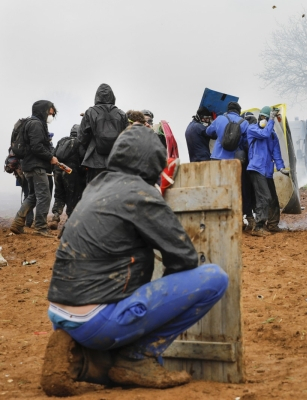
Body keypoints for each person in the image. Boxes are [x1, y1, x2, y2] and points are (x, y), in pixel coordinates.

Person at [40, 125, 229, 396]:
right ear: (153, 161)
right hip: (97, 321)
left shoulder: (97, 186)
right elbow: (184, 258)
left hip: (59, 315)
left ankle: (86, 359)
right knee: (214, 278)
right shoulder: (140, 194)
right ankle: (137, 358)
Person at [10, 100, 59, 237]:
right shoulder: (36, 124)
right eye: (50, 112)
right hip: (36, 166)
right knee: (44, 196)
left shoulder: (32, 123)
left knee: (33, 196)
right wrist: (50, 158)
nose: (51, 115)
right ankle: (40, 228)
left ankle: (18, 223)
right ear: (43, 111)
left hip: (29, 166)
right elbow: (37, 147)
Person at [247, 106, 288, 237]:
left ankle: (272, 225)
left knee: (273, 199)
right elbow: (264, 133)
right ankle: (258, 226)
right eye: (263, 117)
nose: (264, 120)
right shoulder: (253, 129)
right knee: (264, 197)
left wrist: (281, 167)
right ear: (260, 118)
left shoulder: (272, 135)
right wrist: (271, 119)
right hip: (256, 169)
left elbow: (276, 153)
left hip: (267, 171)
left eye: (267, 117)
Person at [78, 84, 128, 184]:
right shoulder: (121, 114)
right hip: (116, 161)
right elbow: (127, 137)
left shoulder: (90, 112)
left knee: (94, 193)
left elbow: (81, 137)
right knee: (114, 193)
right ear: (113, 96)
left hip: (95, 161)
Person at [49, 124, 84, 231]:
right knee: (72, 195)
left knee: (59, 194)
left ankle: (55, 217)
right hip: (70, 172)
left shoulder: (62, 140)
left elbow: (53, 155)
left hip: (58, 171)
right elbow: (82, 158)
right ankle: (69, 220)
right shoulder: (80, 142)